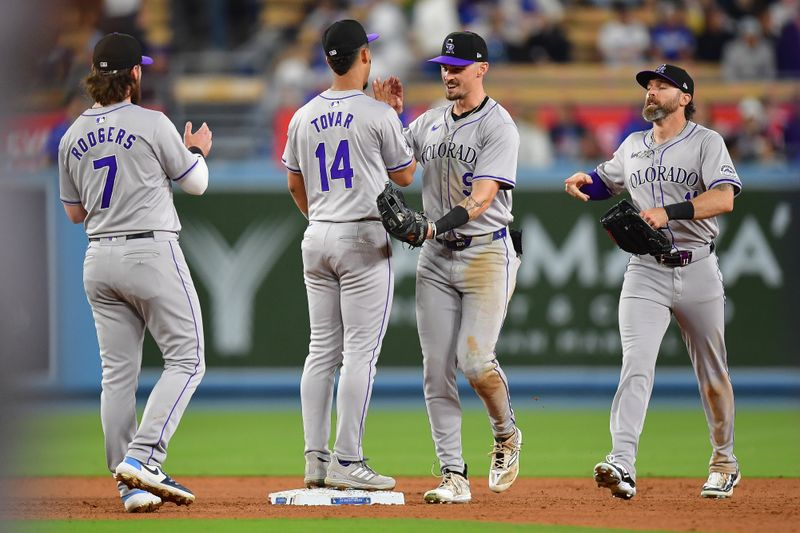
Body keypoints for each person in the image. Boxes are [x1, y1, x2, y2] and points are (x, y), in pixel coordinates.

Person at [564, 64, 742, 500]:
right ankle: (622, 461)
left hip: (697, 266)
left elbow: (724, 198)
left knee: (712, 372)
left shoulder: (706, 142)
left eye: (662, 86)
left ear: (684, 97)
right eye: (648, 86)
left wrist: (671, 212)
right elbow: (607, 182)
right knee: (636, 363)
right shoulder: (632, 145)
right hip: (646, 268)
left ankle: (724, 461)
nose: (651, 91)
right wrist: (586, 180)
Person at [58, 33, 212, 512]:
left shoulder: (69, 136)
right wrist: (197, 150)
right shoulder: (152, 122)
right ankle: (143, 458)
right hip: (149, 251)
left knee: (117, 375)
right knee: (188, 358)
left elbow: (74, 214)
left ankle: (129, 485)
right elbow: (197, 185)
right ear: (135, 74)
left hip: (98, 257)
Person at [373, 30, 523, 504]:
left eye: (457, 67)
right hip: (436, 260)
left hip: (484, 251)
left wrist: (433, 227)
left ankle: (505, 434)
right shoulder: (430, 121)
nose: (448, 74)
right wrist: (391, 119)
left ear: (481, 69)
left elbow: (482, 199)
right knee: (436, 368)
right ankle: (453, 475)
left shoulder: (499, 126)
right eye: (444, 66)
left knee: (475, 362)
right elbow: (401, 171)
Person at [281, 19, 416, 491]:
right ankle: (348, 459)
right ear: (364, 57)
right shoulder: (376, 113)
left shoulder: (302, 115)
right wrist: (394, 115)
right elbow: (405, 176)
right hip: (361, 236)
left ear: (326, 60)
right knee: (360, 353)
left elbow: (295, 184)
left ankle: (316, 460)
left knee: (321, 352)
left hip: (317, 233)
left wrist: (320, 219)